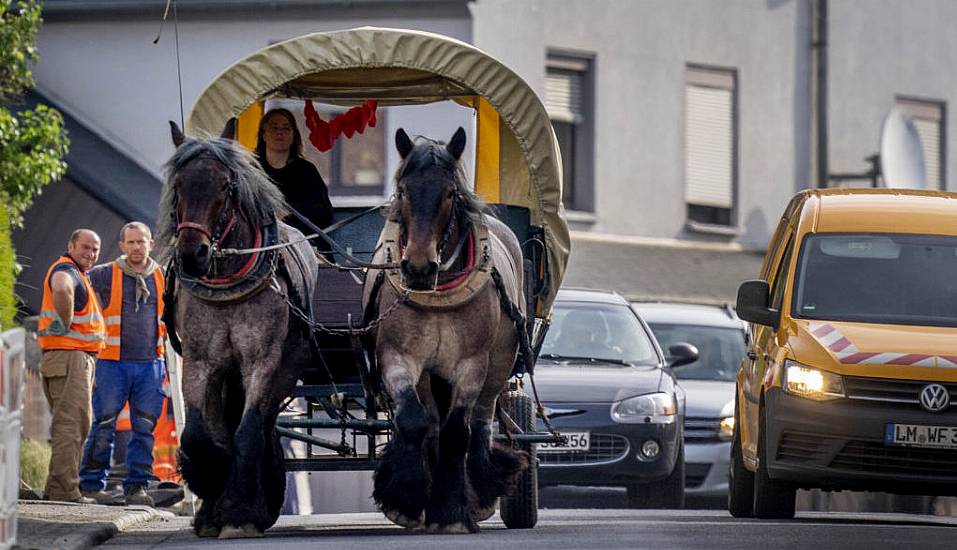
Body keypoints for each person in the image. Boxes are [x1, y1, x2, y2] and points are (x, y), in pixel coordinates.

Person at [78, 222, 168, 506]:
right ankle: (91, 485)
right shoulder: (104, 274)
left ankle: (137, 488)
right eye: (131, 243)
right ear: (122, 247)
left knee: (144, 428)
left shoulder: (162, 277)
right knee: (103, 424)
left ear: (151, 244)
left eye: (141, 242)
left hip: (150, 365)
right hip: (111, 364)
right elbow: (77, 291)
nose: (136, 248)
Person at [37, 229, 106, 504]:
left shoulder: (79, 272)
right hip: (70, 357)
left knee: (76, 424)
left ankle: (58, 487)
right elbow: (63, 287)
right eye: (85, 248)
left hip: (73, 358)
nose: (90, 254)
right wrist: (63, 323)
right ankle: (64, 491)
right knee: (71, 425)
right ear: (71, 246)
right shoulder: (67, 269)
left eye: (95, 249)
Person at [256, 107, 334, 238]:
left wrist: (289, 210)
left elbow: (325, 214)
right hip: (262, 242)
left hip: (305, 243)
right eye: (274, 128)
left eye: (286, 128)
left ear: (294, 136)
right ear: (263, 135)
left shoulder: (307, 170)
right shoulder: (252, 170)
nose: (280, 133)